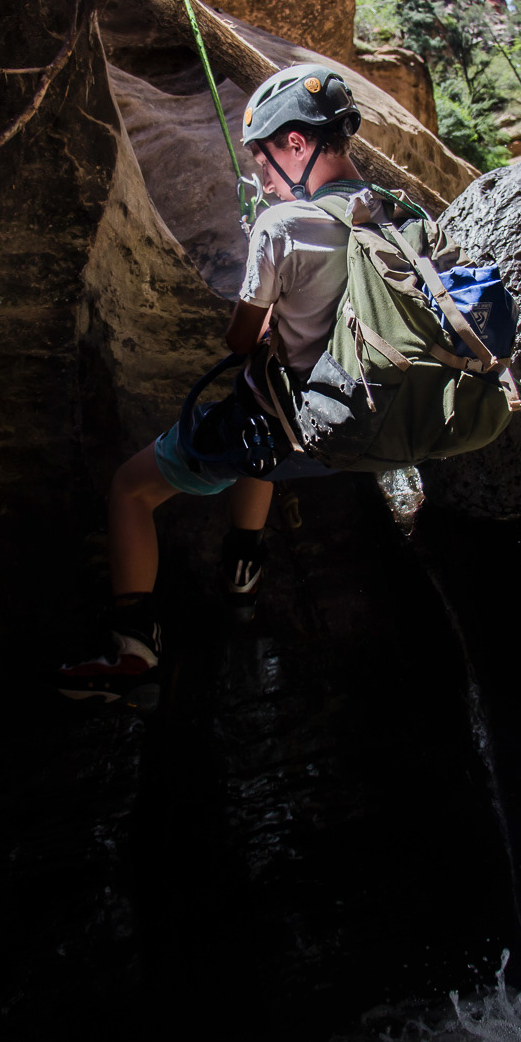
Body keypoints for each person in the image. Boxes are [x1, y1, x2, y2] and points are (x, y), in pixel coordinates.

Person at [56, 64, 389, 705]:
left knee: (130, 488)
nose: (263, 180)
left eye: (264, 162)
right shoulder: (390, 214)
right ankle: (243, 572)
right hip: (355, 430)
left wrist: (265, 259)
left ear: (299, 144)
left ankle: (133, 653)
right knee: (261, 434)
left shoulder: (281, 226)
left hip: (286, 433)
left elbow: (239, 340)